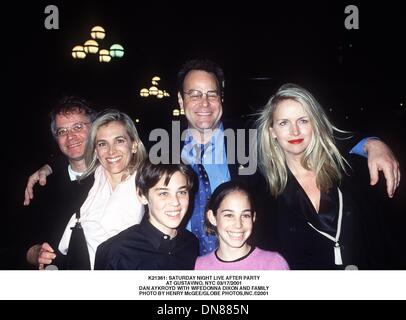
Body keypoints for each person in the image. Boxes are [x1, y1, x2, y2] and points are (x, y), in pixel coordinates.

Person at [256, 83, 399, 269]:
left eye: (303, 121)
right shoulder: (263, 193)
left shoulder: (352, 171)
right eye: (284, 123)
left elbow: (384, 238)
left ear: (315, 123)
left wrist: (373, 143)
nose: (295, 131)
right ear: (272, 132)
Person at [41, 109, 147, 269]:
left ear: (133, 145)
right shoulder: (84, 185)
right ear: (95, 150)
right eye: (102, 144)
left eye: (119, 141)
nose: (111, 151)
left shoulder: (150, 184)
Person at [24, 96, 97, 268]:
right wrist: (35, 253)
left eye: (78, 127)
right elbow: (22, 240)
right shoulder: (42, 186)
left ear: (95, 128)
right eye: (62, 131)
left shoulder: (114, 177)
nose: (70, 137)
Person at [94, 162, 199, 270]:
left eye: (181, 192)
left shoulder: (191, 243)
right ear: (142, 196)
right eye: (163, 193)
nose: (175, 202)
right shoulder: (116, 251)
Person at [194, 181, 289, 270]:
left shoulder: (273, 264)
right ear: (212, 217)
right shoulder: (199, 266)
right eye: (229, 215)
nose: (238, 225)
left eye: (245, 215)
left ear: (253, 217)